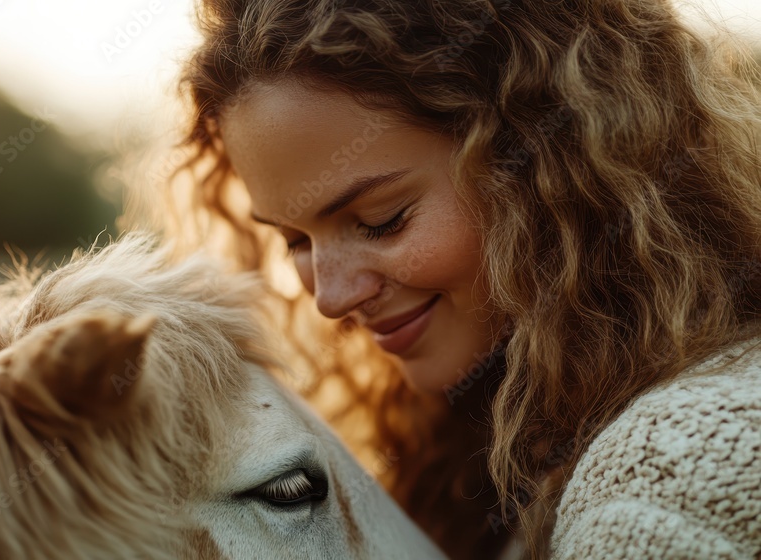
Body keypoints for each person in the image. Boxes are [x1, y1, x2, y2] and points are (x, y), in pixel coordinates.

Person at [152, 0, 761, 558]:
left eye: (379, 220)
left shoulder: (673, 468)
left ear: (537, 159)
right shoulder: (498, 450)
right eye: (296, 241)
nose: (332, 299)